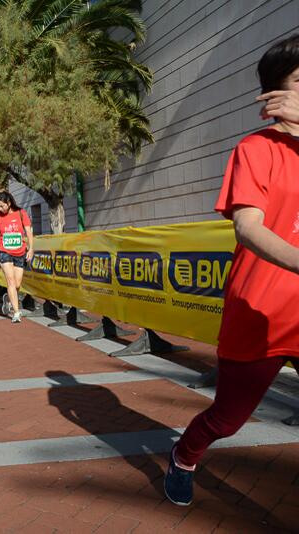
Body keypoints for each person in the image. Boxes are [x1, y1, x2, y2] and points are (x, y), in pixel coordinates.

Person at [163, 35, 299, 507]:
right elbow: (248, 227)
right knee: (227, 418)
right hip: (261, 311)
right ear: (274, 96)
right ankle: (184, 454)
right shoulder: (255, 150)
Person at [0, 192, 33, 323]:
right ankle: (16, 312)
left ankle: (9, 299)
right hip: (4, 251)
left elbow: (28, 231)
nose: (0, 209)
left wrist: (31, 248)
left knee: (17, 284)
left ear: (9, 203)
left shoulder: (21, 213)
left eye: (2, 206)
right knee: (10, 282)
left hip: (20, 251)